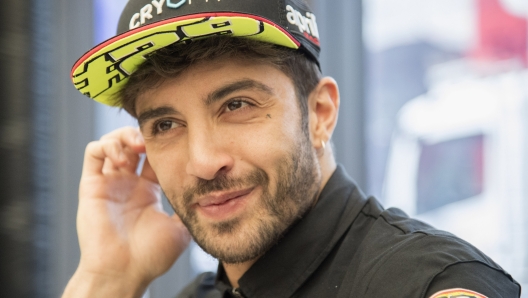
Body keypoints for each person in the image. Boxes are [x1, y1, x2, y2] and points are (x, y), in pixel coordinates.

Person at [63, 0, 521, 297]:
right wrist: (109, 278)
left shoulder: (431, 285)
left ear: (319, 113)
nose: (202, 161)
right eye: (165, 124)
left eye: (236, 104)